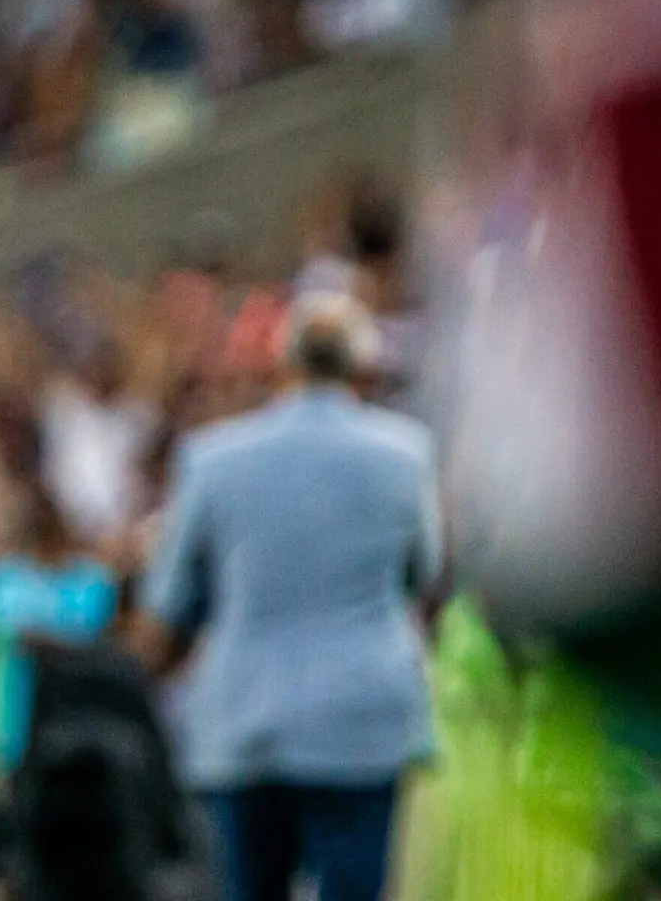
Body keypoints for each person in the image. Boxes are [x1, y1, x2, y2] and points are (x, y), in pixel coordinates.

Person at [132, 292, 440, 901]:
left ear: (280, 365)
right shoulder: (405, 454)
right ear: (359, 366)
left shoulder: (212, 458)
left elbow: (169, 598)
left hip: (244, 717)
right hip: (363, 714)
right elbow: (422, 572)